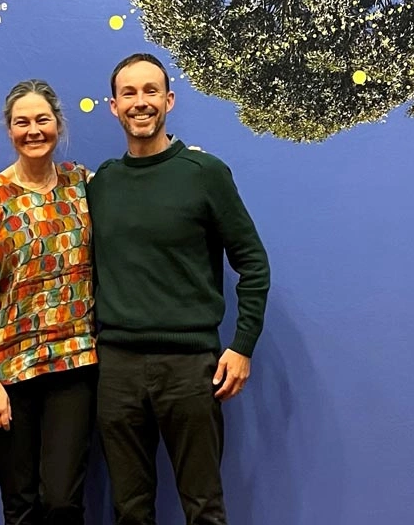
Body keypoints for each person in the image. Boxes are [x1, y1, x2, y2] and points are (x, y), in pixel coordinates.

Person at [87, 53, 271, 524]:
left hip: (191, 369)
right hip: (117, 369)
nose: (140, 102)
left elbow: (252, 262)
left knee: (203, 507)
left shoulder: (204, 173)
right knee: (130, 511)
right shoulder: (102, 183)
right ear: (113, 106)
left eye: (151, 91)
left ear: (169, 100)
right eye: (129, 93)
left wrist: (243, 346)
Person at [0, 79, 98, 525]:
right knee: (20, 504)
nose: (33, 130)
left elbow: (142, 192)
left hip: (74, 360)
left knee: (62, 502)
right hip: (8, 368)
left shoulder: (85, 185)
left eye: (42, 119)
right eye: (22, 122)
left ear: (58, 124)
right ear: (9, 130)